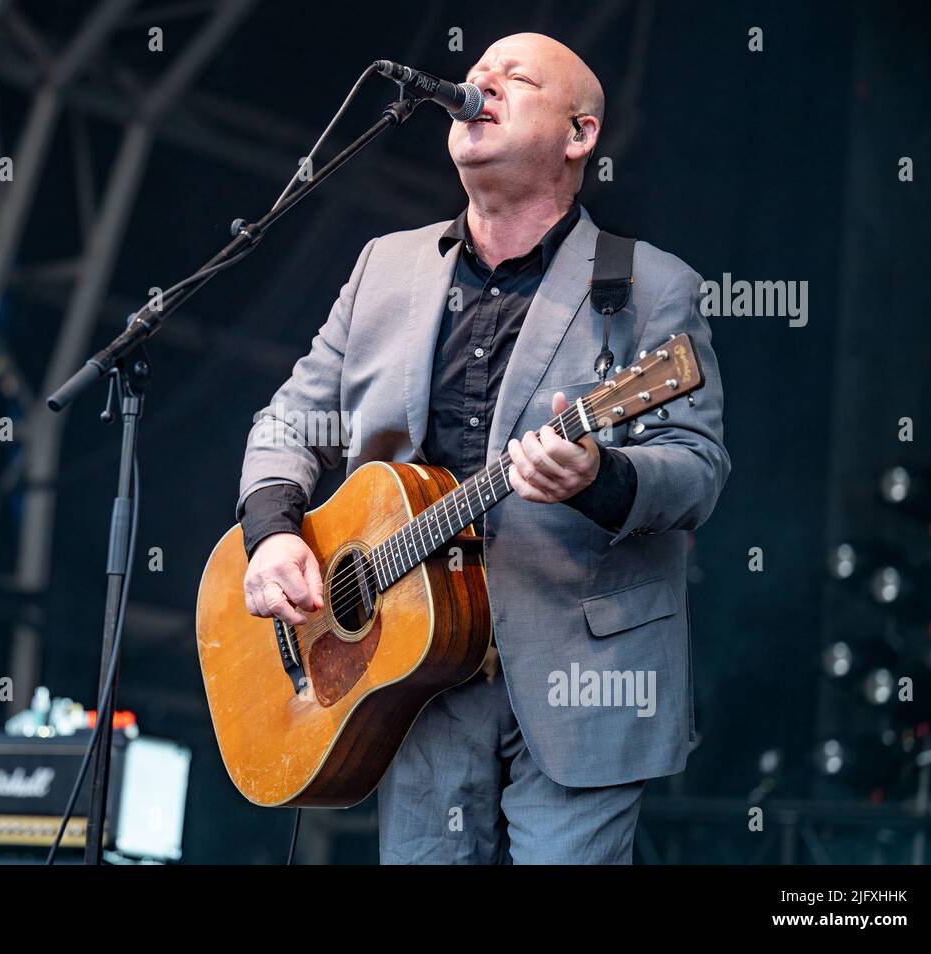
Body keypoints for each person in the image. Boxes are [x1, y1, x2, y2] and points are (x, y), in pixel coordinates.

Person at [236, 32, 730, 864]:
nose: (479, 87)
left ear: (578, 136)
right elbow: (291, 419)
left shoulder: (652, 286)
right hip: (412, 674)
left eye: (514, 79)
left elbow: (697, 470)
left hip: (582, 677)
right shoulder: (384, 269)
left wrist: (599, 477)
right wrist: (274, 530)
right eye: (474, 76)